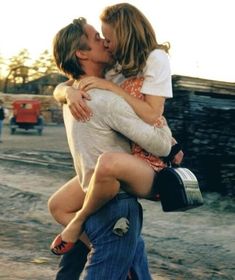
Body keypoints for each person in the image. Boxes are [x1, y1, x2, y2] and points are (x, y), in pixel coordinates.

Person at [50, 2, 183, 257]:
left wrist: (173, 144)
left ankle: (82, 226)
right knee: (57, 205)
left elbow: (153, 115)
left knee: (107, 164)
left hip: (146, 162)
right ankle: (108, 250)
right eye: (99, 37)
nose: (105, 42)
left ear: (123, 34)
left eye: (106, 37)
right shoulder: (114, 69)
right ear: (81, 53)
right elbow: (60, 87)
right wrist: (67, 92)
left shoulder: (152, 60)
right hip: (125, 158)